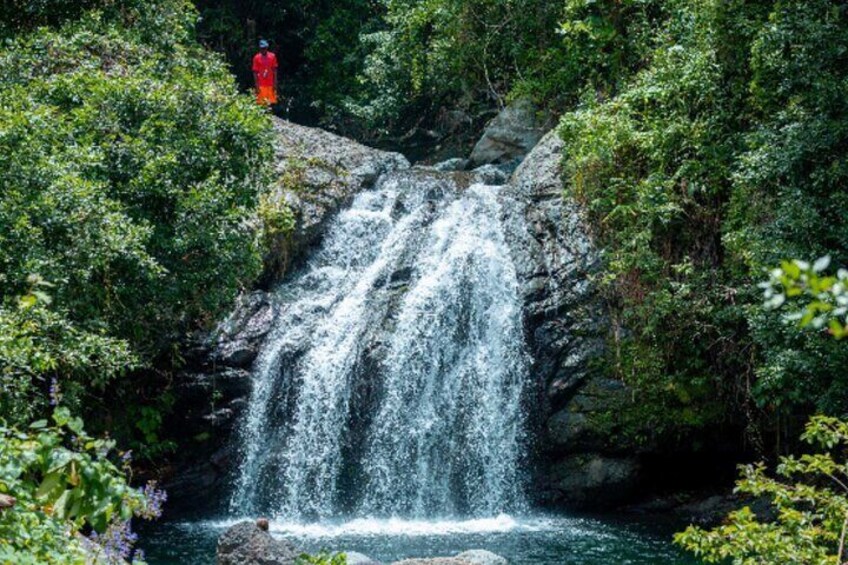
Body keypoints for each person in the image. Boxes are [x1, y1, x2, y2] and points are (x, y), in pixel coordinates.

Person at [252, 39, 278, 106]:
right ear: (260, 48)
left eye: (265, 48)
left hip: (270, 83)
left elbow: (274, 70)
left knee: (270, 103)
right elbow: (255, 72)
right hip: (261, 84)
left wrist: (275, 83)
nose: (263, 49)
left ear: (267, 47)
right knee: (261, 103)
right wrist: (256, 85)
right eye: (262, 48)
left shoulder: (272, 56)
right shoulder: (256, 57)